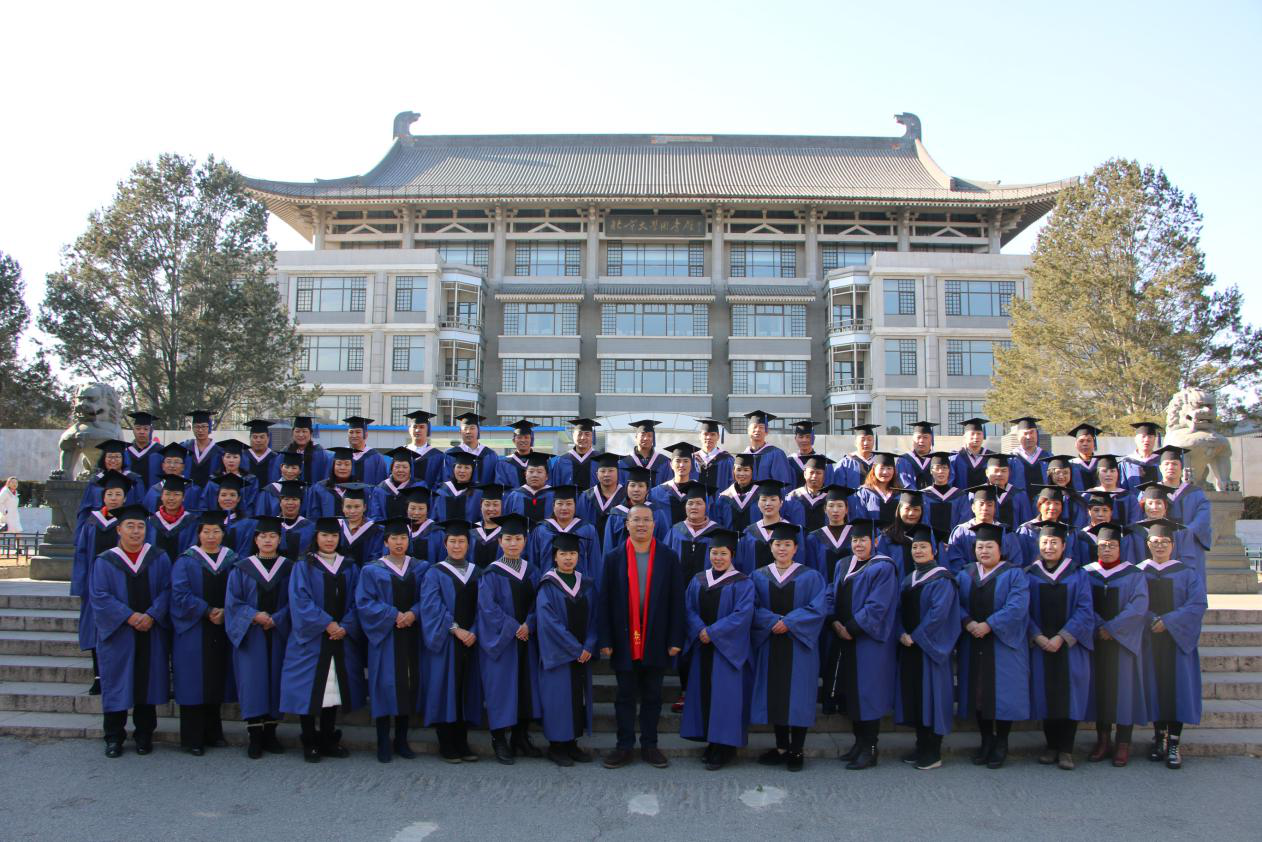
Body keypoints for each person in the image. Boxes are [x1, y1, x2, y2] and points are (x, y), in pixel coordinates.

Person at [598, 503, 685, 769]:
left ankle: (650, 745)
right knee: (624, 696)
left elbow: (677, 600)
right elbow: (604, 600)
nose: (641, 524)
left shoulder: (668, 557)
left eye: (646, 520)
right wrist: (605, 639)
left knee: (653, 696)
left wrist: (675, 639)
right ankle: (624, 746)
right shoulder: (613, 558)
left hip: (656, 637)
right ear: (627, 524)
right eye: (636, 520)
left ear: (654, 524)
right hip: (623, 638)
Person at [280, 516, 366, 762]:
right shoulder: (304, 566)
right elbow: (300, 601)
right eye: (325, 535)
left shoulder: (349, 566)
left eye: (334, 536)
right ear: (316, 537)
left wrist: (346, 626)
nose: (329, 540)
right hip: (313, 639)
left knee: (333, 689)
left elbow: (358, 600)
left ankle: (328, 739)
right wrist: (327, 624)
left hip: (340, 637)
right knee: (308, 688)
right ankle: (309, 740)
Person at [90, 503, 173, 758]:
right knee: (117, 681)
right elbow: (100, 596)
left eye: (140, 526)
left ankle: (144, 735)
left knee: (147, 683)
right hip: (120, 634)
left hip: (151, 630)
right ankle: (114, 737)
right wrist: (129, 616)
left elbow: (168, 590)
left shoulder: (158, 557)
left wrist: (152, 614)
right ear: (119, 530)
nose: (136, 531)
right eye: (130, 526)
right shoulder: (105, 561)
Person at [750, 522, 827, 772]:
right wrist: (773, 621)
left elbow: (818, 608)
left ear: (795, 548)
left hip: (800, 645)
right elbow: (750, 607)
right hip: (770, 642)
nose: (782, 549)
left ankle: (797, 749)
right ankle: (782, 747)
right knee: (776, 695)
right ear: (771, 547)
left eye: (787, 544)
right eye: (777, 544)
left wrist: (790, 623)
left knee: (799, 696)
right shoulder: (758, 576)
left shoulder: (811, 576)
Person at [955, 522, 1030, 770]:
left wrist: (989, 625)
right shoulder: (965, 573)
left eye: (989, 546)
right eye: (980, 547)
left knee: (1003, 694)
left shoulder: (1014, 574)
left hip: (1002, 643)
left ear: (1000, 549)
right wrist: (967, 622)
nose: (984, 551)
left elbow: (1017, 607)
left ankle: (1002, 742)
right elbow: (955, 603)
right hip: (973, 641)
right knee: (979, 693)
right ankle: (986, 740)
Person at [680, 527, 754, 771]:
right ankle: (711, 742)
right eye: (714, 553)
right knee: (705, 694)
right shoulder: (698, 579)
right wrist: (699, 629)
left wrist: (712, 632)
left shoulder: (743, 582)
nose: (718, 558)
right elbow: (688, 609)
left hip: (726, 650)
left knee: (725, 698)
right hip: (703, 648)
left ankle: (725, 747)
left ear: (732, 555)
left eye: (723, 553)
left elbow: (742, 615)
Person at [829, 518, 899, 770]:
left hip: (868, 641)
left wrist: (851, 628)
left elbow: (878, 606)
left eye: (863, 540)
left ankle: (870, 748)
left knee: (868, 694)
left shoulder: (883, 567)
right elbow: (832, 594)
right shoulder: (843, 564)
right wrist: (833, 621)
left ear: (875, 542)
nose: (858, 544)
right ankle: (858, 744)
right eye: (855, 540)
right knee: (853, 694)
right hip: (845, 639)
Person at [355, 517, 427, 763]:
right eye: (394, 538)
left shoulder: (420, 567)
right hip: (385, 636)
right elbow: (364, 602)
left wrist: (414, 613)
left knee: (407, 684)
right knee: (384, 685)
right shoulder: (371, 570)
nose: (399, 542)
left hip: (411, 634)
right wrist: (393, 615)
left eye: (403, 538)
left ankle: (402, 740)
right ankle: (383, 741)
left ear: (409, 541)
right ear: (385, 542)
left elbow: (428, 598)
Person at [1136, 518, 1206, 770]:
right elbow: (1133, 603)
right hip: (1150, 640)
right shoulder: (1138, 572)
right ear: (1148, 544)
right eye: (1155, 542)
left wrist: (1168, 621)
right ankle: (1159, 738)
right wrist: (1150, 620)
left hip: (1178, 641)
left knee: (1177, 690)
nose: (1160, 546)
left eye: (1165, 542)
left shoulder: (1187, 573)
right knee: (1156, 689)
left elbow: (1197, 604)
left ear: (1172, 545)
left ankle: (1174, 742)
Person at [1025, 520, 1094, 770]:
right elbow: (1023, 609)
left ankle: (1066, 749)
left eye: (1054, 542)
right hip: (1041, 645)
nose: (1049, 547)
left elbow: (1085, 609)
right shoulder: (1029, 574)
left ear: (1064, 545)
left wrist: (1062, 637)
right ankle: (1051, 745)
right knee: (1045, 695)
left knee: (1070, 696)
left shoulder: (1078, 573)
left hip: (1069, 647)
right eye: (1045, 542)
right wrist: (1037, 635)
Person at [170, 510, 239, 755]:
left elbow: (240, 591)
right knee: (193, 681)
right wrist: (207, 611)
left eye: (216, 531)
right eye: (206, 532)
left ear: (223, 534)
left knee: (215, 678)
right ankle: (193, 738)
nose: (211, 536)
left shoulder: (232, 559)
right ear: (198, 534)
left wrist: (227, 611)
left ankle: (214, 732)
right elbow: (179, 593)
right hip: (194, 628)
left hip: (222, 628)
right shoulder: (186, 560)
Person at [475, 513, 542, 764]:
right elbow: (487, 607)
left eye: (518, 539)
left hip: (527, 639)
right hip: (503, 641)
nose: (513, 543)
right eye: (508, 539)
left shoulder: (532, 571)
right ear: (500, 541)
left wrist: (530, 624)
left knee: (525, 688)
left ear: (525, 541)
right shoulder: (491, 573)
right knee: (501, 689)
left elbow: (540, 603)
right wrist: (515, 627)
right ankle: (499, 739)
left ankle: (520, 737)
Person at [1083, 521, 1149, 767]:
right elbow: (1083, 604)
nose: (1107, 549)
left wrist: (1111, 628)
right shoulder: (1087, 573)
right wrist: (1099, 627)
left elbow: (1139, 606)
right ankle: (1102, 741)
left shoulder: (1133, 574)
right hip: (1097, 641)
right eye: (1103, 545)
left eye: (1112, 545)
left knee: (1124, 693)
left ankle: (1123, 743)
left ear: (1120, 548)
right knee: (1101, 692)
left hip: (1123, 643)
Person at [225, 515, 292, 759]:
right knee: (253, 681)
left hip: (278, 633)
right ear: (256, 540)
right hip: (251, 633)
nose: (268, 540)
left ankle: (271, 734)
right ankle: (255, 736)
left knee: (275, 680)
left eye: (273, 536)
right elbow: (233, 602)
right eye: (263, 536)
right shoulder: (242, 568)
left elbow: (295, 600)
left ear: (279, 540)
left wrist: (278, 618)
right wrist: (254, 615)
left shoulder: (289, 568)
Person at [894, 524, 960, 770]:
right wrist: (901, 633)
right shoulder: (908, 579)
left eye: (923, 547)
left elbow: (939, 614)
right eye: (915, 547)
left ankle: (933, 751)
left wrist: (916, 636)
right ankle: (921, 745)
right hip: (909, 646)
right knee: (916, 698)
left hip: (930, 648)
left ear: (934, 550)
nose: (918, 551)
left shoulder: (942, 578)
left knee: (933, 698)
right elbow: (897, 611)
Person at [421, 520, 484, 762]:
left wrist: (474, 630)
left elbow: (485, 606)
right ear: (445, 544)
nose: (457, 546)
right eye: (453, 541)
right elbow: (431, 606)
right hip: (447, 640)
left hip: (471, 641)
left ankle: (462, 741)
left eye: (461, 541)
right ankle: (446, 742)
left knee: (465, 690)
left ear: (468, 545)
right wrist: (456, 630)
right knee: (445, 689)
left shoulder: (477, 572)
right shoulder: (434, 572)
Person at [535, 532, 598, 767]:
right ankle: (557, 746)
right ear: (555, 557)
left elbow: (595, 617)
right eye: (563, 554)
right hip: (560, 655)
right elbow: (548, 622)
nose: (568, 558)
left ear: (579, 557)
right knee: (559, 699)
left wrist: (589, 645)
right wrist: (575, 648)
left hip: (582, 654)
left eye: (572, 553)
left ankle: (572, 743)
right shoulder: (548, 585)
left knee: (576, 699)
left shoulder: (586, 584)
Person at [73, 470, 131, 694]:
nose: (114, 498)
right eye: (110, 494)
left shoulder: (129, 523)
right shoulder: (91, 522)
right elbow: (81, 555)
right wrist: (81, 586)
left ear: (125, 498)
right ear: (103, 497)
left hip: (122, 586)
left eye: (118, 494)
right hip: (95, 586)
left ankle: (119, 675)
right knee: (96, 630)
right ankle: (98, 676)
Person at [1155, 445, 1211, 582]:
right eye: (1167, 464)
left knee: (1192, 580)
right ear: (1160, 468)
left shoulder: (1195, 493)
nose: (1171, 467)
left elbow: (1203, 516)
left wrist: (1188, 531)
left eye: (1175, 464)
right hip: (1160, 544)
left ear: (1181, 468)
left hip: (1189, 544)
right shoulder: (1151, 492)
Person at [528, 485, 601, 584]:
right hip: (547, 586)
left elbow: (595, 564)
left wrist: (592, 589)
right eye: (560, 504)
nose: (564, 508)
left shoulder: (588, 530)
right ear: (553, 506)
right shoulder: (541, 530)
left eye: (569, 504)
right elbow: (534, 562)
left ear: (575, 506)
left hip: (580, 588)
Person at [736, 480, 804, 574]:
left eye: (773, 499)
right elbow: (741, 564)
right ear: (758, 503)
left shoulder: (793, 531)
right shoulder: (748, 532)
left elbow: (799, 562)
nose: (768, 503)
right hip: (753, 582)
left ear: (781, 503)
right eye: (764, 499)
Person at [601, 467, 671, 555]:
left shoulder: (657, 513)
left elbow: (664, 543)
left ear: (647, 490)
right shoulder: (616, 514)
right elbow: (608, 546)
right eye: (632, 485)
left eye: (641, 486)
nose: (636, 489)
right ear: (626, 488)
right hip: (621, 561)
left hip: (651, 560)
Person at [145, 475, 197, 563]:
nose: (171, 498)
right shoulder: (151, 521)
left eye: (176, 494)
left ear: (183, 498)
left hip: (182, 567)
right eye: (167, 494)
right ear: (161, 496)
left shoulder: (192, 522)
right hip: (156, 567)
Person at [881, 490, 931, 578]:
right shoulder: (887, 537)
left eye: (916, 509)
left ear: (922, 512)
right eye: (907, 509)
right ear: (899, 510)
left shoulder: (930, 536)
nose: (911, 513)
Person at [650, 442, 703, 524]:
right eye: (678, 461)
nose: (681, 465)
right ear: (671, 464)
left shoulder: (701, 491)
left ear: (691, 464)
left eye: (686, 461)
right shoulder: (657, 493)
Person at [920, 452, 967, 542]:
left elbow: (964, 521)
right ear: (931, 471)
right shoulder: (923, 495)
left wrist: (953, 540)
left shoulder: (960, 496)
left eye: (944, 468)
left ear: (949, 470)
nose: (941, 471)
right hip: (929, 543)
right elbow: (922, 521)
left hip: (954, 543)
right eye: (937, 468)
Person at [204, 439, 260, 515]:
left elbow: (253, 505)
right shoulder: (213, 480)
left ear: (241, 459)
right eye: (228, 457)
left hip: (243, 520)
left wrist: (245, 520)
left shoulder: (250, 480)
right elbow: (204, 503)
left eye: (235, 457)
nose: (231, 460)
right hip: (216, 520)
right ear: (222, 458)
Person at [577, 452, 626, 539]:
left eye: (611, 471)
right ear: (597, 474)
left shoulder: (625, 496)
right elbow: (581, 524)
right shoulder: (586, 497)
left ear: (618, 473)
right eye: (603, 471)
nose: (606, 474)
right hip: (591, 542)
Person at [142, 443, 202, 512]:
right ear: (163, 466)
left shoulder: (193, 490)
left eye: (177, 462)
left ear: (183, 467)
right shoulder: (153, 491)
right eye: (168, 461)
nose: (172, 465)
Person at [444, 412, 499, 486]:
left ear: (478, 430)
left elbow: (496, 481)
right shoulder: (450, 454)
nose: (468, 431)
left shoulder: (491, 455)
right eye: (465, 428)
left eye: (472, 428)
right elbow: (446, 480)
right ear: (460, 431)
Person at [502, 452, 556, 528]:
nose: (535, 475)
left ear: (547, 476)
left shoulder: (555, 496)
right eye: (531, 471)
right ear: (525, 474)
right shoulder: (514, 496)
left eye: (539, 472)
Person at [740, 410, 794, 486]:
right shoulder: (744, 455)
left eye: (761, 427)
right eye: (754, 427)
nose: (757, 430)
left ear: (767, 431)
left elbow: (782, 482)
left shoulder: (777, 454)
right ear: (748, 431)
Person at [981, 453, 1033, 531]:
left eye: (1004, 471)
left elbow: (1026, 524)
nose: (999, 474)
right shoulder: (977, 493)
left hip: (1014, 538)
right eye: (996, 470)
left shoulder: (1019, 495)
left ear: (1009, 473)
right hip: (985, 537)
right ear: (987, 472)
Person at [370, 447, 423, 521]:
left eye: (405, 467)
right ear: (391, 469)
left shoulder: (419, 487)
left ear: (410, 469)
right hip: (386, 528)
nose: (401, 470)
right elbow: (375, 516)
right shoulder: (380, 489)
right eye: (397, 467)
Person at [549, 418, 601, 493]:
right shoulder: (561, 461)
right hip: (568, 500)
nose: (583, 437)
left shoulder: (600, 460)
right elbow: (555, 487)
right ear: (573, 436)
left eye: (587, 434)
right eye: (579, 434)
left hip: (594, 500)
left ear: (592, 437)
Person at [336, 484, 383, 567]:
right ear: (342, 507)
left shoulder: (377, 530)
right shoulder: (336, 527)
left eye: (357, 506)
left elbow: (376, 558)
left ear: (364, 507)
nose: (352, 511)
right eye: (348, 507)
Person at [784, 454, 833, 532]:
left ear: (824, 476)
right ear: (805, 474)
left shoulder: (830, 498)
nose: (814, 476)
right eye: (811, 472)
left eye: (818, 473)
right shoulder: (792, 498)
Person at [432, 450, 485, 522]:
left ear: (473, 471)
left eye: (467, 467)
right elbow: (434, 518)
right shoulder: (442, 491)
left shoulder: (478, 493)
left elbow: (482, 519)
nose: (462, 471)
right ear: (454, 469)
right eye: (459, 467)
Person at [714, 453, 760, 533]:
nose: (742, 474)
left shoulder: (760, 495)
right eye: (738, 470)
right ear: (733, 472)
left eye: (746, 470)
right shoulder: (724, 497)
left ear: (752, 472)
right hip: (730, 540)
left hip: (755, 540)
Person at [306, 446, 357, 518]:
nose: (343, 468)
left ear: (352, 467)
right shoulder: (319, 489)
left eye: (347, 464)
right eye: (338, 464)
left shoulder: (360, 488)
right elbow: (313, 517)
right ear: (332, 466)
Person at [1006, 416, 1047, 505]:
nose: (1029, 437)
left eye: (1032, 432)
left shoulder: (1047, 457)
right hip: (1018, 505)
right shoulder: (1010, 459)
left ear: (1037, 434)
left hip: (1044, 505)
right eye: (1025, 433)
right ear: (1018, 436)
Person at [620, 419, 672, 487]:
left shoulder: (664, 462)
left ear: (653, 439)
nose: (646, 438)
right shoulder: (624, 462)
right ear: (636, 438)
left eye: (649, 435)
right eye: (642, 435)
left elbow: (669, 487)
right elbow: (620, 487)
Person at [850, 452, 901, 523]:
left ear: (894, 471)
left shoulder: (899, 493)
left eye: (889, 468)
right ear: (874, 469)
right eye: (881, 468)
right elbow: (859, 519)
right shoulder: (863, 493)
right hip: (870, 530)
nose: (885, 472)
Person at [402, 410, 447, 489]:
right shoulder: (401, 452)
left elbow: (440, 482)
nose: (417, 430)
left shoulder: (438, 455)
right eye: (415, 427)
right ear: (409, 430)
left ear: (428, 430)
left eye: (422, 427)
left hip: (428, 496)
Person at [254, 451, 306, 517]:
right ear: (281, 467)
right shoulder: (269, 491)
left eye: (294, 468)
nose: (289, 471)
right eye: (286, 467)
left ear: (300, 471)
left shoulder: (305, 490)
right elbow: (261, 515)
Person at [123, 410, 164, 490]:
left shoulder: (160, 450)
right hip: (130, 494)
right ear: (133, 430)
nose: (141, 432)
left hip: (154, 494)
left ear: (151, 431)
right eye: (138, 429)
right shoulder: (126, 451)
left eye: (146, 429)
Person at [342, 416, 388, 485]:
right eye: (351, 432)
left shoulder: (376, 458)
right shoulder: (341, 454)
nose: (354, 435)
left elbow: (381, 485)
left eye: (358, 432)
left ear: (366, 435)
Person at [692, 418, 733, 497]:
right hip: (696, 502)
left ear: (718, 437)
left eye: (712, 434)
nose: (709, 437)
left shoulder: (727, 459)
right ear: (700, 436)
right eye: (705, 434)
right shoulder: (692, 459)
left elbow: (732, 483)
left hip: (720, 502)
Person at [182, 410, 222, 488]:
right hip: (188, 491)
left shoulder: (218, 451)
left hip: (210, 492)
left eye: (204, 426)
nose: (200, 430)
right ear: (192, 428)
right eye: (197, 426)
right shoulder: (186, 448)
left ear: (209, 427)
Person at [275, 480, 315, 560]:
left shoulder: (310, 527)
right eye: (286, 499)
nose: (290, 503)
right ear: (280, 503)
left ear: (300, 503)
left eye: (294, 499)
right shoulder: (273, 525)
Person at [786, 420, 831, 490]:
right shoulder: (789, 461)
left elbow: (829, 486)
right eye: (801, 437)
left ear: (814, 438)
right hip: (794, 497)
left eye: (808, 437)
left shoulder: (824, 461)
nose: (804, 440)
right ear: (795, 439)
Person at [949, 417, 992, 490]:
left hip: (985, 497)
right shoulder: (954, 459)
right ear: (965, 436)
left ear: (983, 436)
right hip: (961, 497)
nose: (976, 437)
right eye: (972, 434)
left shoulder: (991, 457)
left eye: (979, 434)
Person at [495, 419, 540, 488]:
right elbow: (501, 488)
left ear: (531, 440)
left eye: (526, 437)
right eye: (519, 437)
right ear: (513, 440)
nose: (523, 440)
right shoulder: (503, 464)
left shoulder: (542, 461)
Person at [404, 487, 444, 564]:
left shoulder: (437, 533)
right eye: (412, 508)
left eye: (421, 508)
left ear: (427, 511)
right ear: (406, 509)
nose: (416, 513)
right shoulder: (400, 530)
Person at [287, 415, 330, 485]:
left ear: (311, 433)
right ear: (293, 433)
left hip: (314, 490)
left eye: (304, 431)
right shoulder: (286, 451)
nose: (301, 435)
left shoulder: (319, 452)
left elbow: (325, 476)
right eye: (297, 431)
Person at [896, 421, 938, 491]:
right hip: (911, 497)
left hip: (934, 496)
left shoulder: (938, 458)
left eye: (925, 437)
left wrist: (932, 494)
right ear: (913, 440)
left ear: (931, 439)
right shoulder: (903, 460)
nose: (921, 440)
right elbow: (903, 481)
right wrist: (917, 494)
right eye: (918, 437)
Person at [1120, 421, 1163, 490]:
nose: (1147, 440)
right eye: (1143, 436)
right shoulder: (1125, 463)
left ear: (1155, 439)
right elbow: (1121, 488)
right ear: (1136, 439)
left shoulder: (1161, 461)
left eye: (1150, 437)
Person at [835, 423, 879, 488]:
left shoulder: (879, 461)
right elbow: (838, 488)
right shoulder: (845, 463)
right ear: (855, 442)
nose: (866, 443)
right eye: (862, 440)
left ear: (874, 441)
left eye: (869, 439)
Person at [241, 419, 280, 485]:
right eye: (255, 437)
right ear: (250, 438)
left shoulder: (276, 458)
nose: (258, 440)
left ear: (268, 438)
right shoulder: (242, 457)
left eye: (262, 437)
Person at [1067, 422, 1103, 490]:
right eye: (1081, 441)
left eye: (1089, 441)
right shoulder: (1070, 464)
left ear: (1094, 443)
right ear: (1075, 444)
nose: (1085, 444)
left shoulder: (1102, 463)